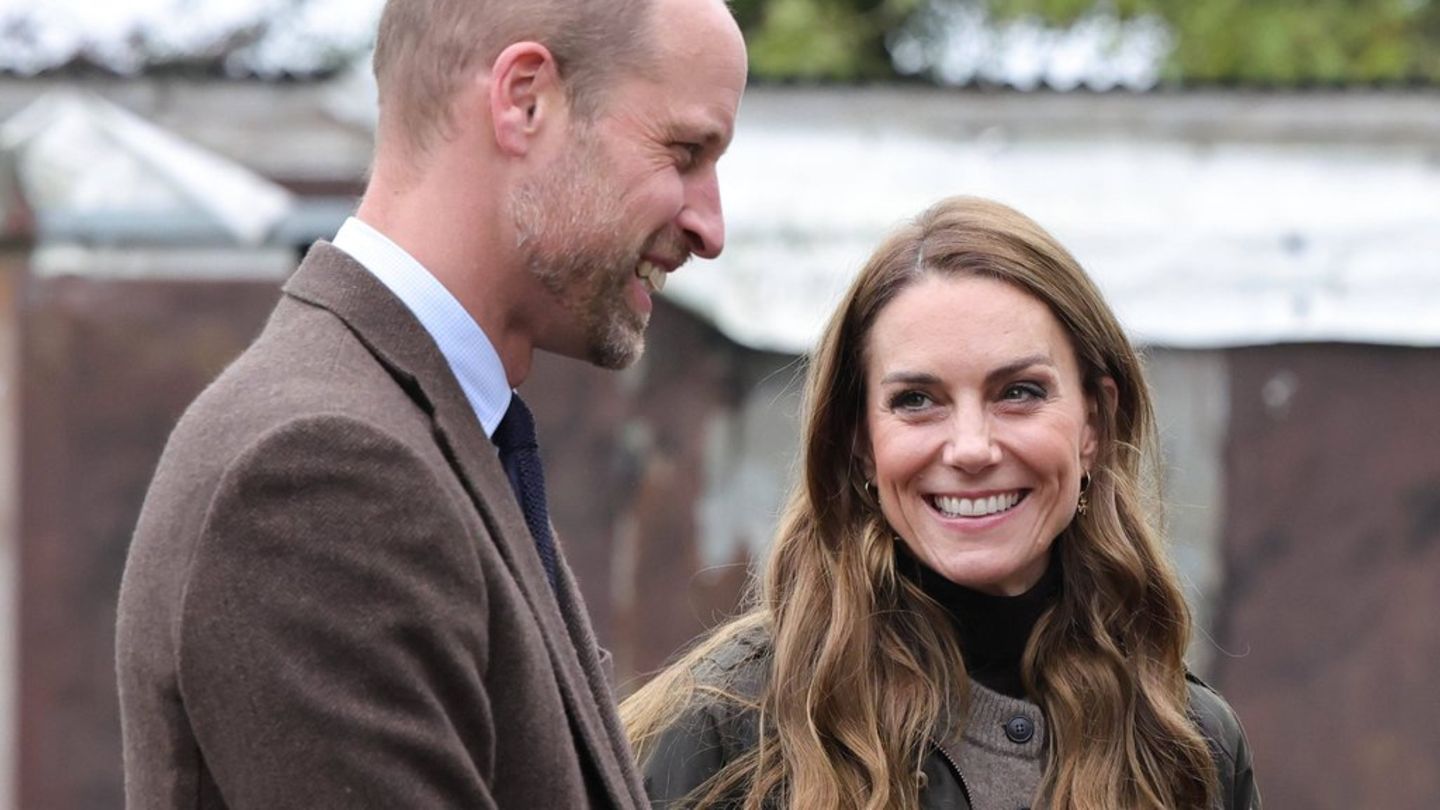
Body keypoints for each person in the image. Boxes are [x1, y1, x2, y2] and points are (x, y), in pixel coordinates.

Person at [115, 0, 747, 805]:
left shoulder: (427, 434)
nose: (710, 225)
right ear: (524, 99)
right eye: (686, 150)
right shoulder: (325, 471)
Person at [623, 196, 1260, 810]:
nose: (972, 448)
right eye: (917, 400)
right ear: (860, 442)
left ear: (1094, 421)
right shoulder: (724, 731)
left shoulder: (1189, 744)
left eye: (1019, 391)